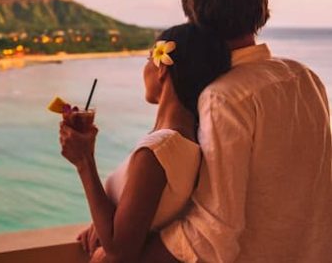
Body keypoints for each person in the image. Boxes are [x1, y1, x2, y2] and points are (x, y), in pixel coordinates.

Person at [77, 0, 332, 262]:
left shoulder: (223, 97)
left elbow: (215, 229)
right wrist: (121, 217)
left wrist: (125, 254)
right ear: (260, 14)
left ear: (195, 19)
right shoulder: (303, 77)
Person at [59, 22, 232, 262]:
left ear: (162, 69)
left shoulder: (158, 151)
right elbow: (148, 217)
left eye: (149, 58)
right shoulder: (189, 140)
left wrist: (84, 162)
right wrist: (106, 219)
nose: (145, 68)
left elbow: (120, 251)